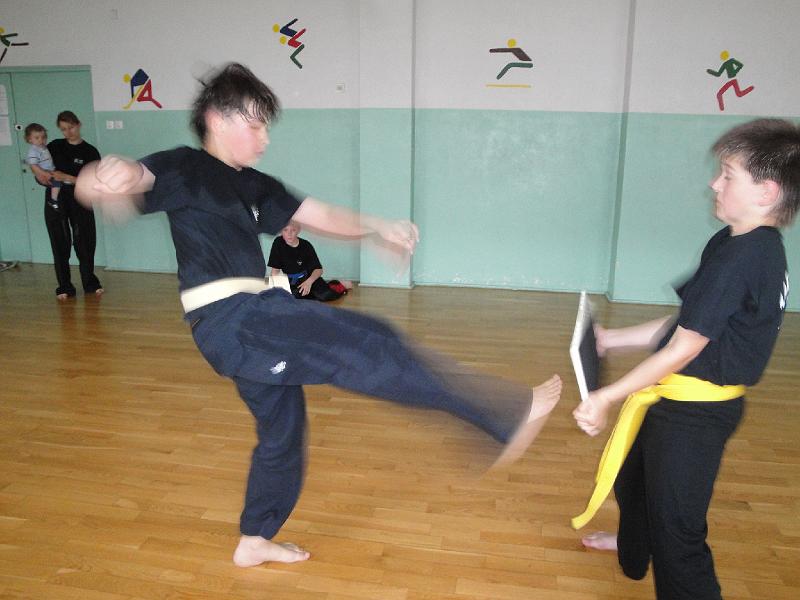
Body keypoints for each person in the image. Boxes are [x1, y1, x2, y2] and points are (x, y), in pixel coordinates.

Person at [75, 63, 562, 568]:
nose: (264, 138)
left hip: (248, 323)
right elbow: (122, 180)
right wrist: (105, 173)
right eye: (255, 125)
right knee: (368, 339)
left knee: (283, 433)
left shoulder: (255, 185)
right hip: (236, 319)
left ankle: (254, 540)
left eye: (266, 126)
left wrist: (377, 227)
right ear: (217, 119)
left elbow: (319, 215)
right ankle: (503, 416)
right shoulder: (184, 167)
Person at [573, 118, 797, 600]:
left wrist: (608, 397)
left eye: (728, 175)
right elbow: (691, 322)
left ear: (766, 192)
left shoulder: (743, 259)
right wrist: (612, 339)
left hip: (697, 415)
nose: (714, 184)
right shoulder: (738, 242)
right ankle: (634, 548)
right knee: (634, 482)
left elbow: (685, 346)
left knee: (679, 532)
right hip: (676, 399)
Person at [46, 110, 103, 299]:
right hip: (57, 201)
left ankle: (90, 283)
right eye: (63, 129)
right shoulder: (54, 147)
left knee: (85, 241)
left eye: (71, 127)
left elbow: (95, 182)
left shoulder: (90, 152)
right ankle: (64, 286)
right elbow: (42, 170)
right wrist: (43, 176)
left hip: (80, 200)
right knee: (59, 241)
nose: (68, 132)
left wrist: (68, 177)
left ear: (78, 125)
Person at [268, 221, 344, 301]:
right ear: (281, 231)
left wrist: (308, 282)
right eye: (285, 230)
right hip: (291, 282)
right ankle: (312, 293)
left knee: (325, 296)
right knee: (291, 297)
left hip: (309, 278)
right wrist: (274, 289)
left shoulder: (306, 245)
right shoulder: (278, 243)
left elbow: (319, 269)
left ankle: (337, 285)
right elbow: (275, 271)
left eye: (293, 230)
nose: (289, 234)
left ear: (298, 230)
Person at [24, 123, 62, 210]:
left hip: (50, 171)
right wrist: (44, 173)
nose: (41, 140)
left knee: (60, 179)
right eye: (37, 138)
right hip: (44, 173)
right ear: (29, 139)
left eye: (43, 137)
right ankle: (53, 200)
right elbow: (33, 165)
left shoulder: (42, 147)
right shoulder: (33, 151)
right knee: (57, 182)